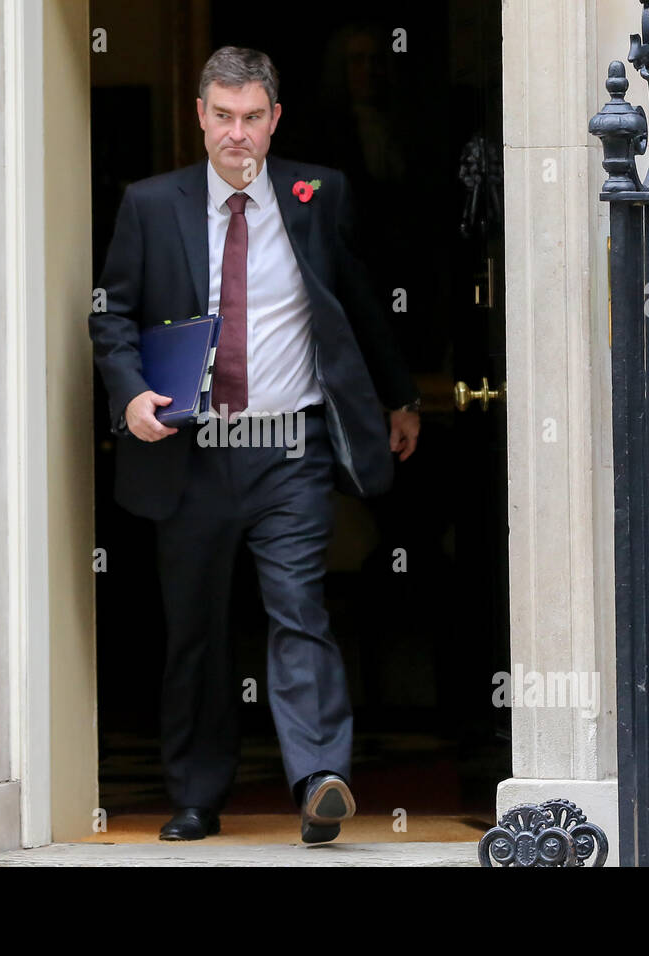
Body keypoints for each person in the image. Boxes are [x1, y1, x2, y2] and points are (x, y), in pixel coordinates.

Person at [88, 45, 420, 844]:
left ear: (275, 120)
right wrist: (129, 392)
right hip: (188, 451)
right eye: (224, 117)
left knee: (299, 609)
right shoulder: (149, 203)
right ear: (200, 116)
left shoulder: (316, 194)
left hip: (289, 449)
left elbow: (357, 301)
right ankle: (198, 796)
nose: (238, 133)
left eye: (253, 118)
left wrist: (397, 394)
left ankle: (318, 779)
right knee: (195, 631)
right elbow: (111, 315)